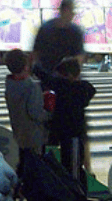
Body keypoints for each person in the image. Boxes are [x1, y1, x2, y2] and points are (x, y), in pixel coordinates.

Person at [38, 56, 96, 185]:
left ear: (67, 75)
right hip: (76, 134)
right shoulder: (84, 88)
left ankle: (73, 191)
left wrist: (34, 64)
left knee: (64, 164)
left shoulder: (61, 86)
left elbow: (46, 77)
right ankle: (75, 190)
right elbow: (91, 90)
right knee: (73, 165)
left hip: (62, 131)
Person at [3, 49, 46, 156]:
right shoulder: (32, 87)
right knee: (35, 164)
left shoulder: (9, 86)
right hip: (34, 136)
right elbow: (36, 113)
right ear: (26, 66)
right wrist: (50, 114)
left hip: (18, 134)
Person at [32, 0, 85, 76]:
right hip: (50, 76)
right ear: (63, 11)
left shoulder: (75, 31)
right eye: (71, 10)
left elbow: (79, 57)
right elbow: (35, 53)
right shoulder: (46, 29)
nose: (73, 14)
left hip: (58, 76)